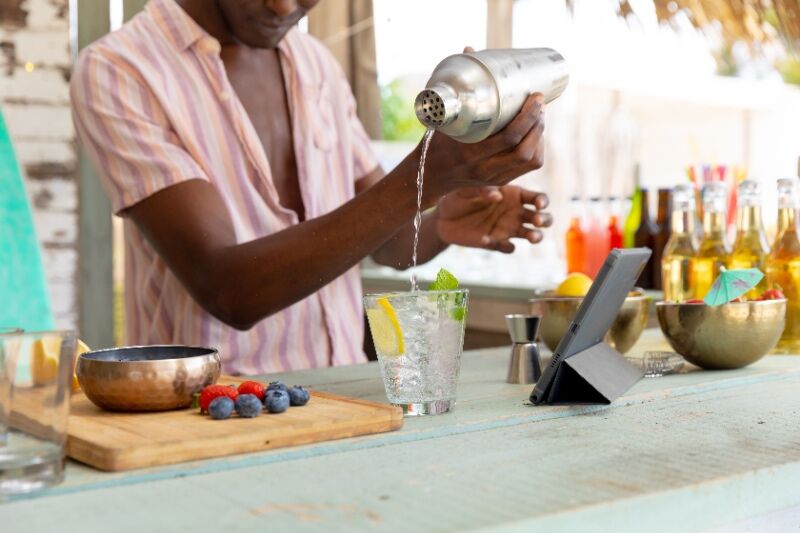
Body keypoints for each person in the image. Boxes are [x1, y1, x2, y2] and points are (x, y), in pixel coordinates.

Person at [70, 0, 551, 375]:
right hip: (209, 420)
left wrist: (442, 221)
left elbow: (386, 243)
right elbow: (229, 291)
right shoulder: (121, 71)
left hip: (342, 404)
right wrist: (429, 176)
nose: (283, 8)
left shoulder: (315, 65)